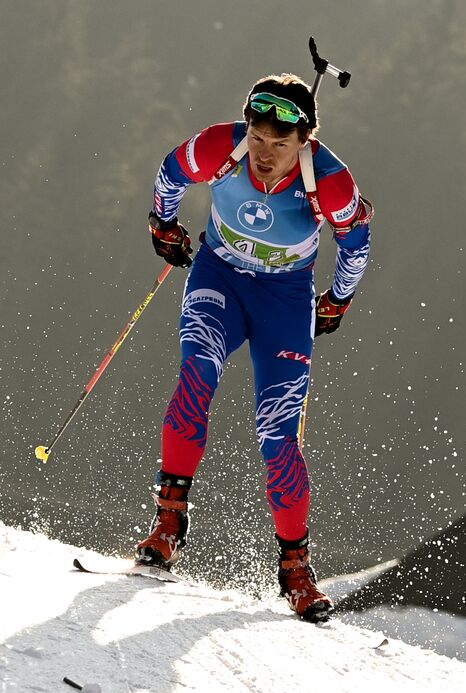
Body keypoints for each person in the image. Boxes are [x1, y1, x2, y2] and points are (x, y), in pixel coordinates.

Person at [134, 73, 373, 623]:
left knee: (278, 434)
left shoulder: (330, 182)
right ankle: (169, 522)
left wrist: (336, 300)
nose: (264, 155)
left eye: (280, 144)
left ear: (305, 141)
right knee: (198, 373)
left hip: (285, 302)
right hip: (220, 277)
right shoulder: (221, 146)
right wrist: (162, 222)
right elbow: (172, 171)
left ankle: (295, 571)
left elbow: (356, 240)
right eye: (258, 139)